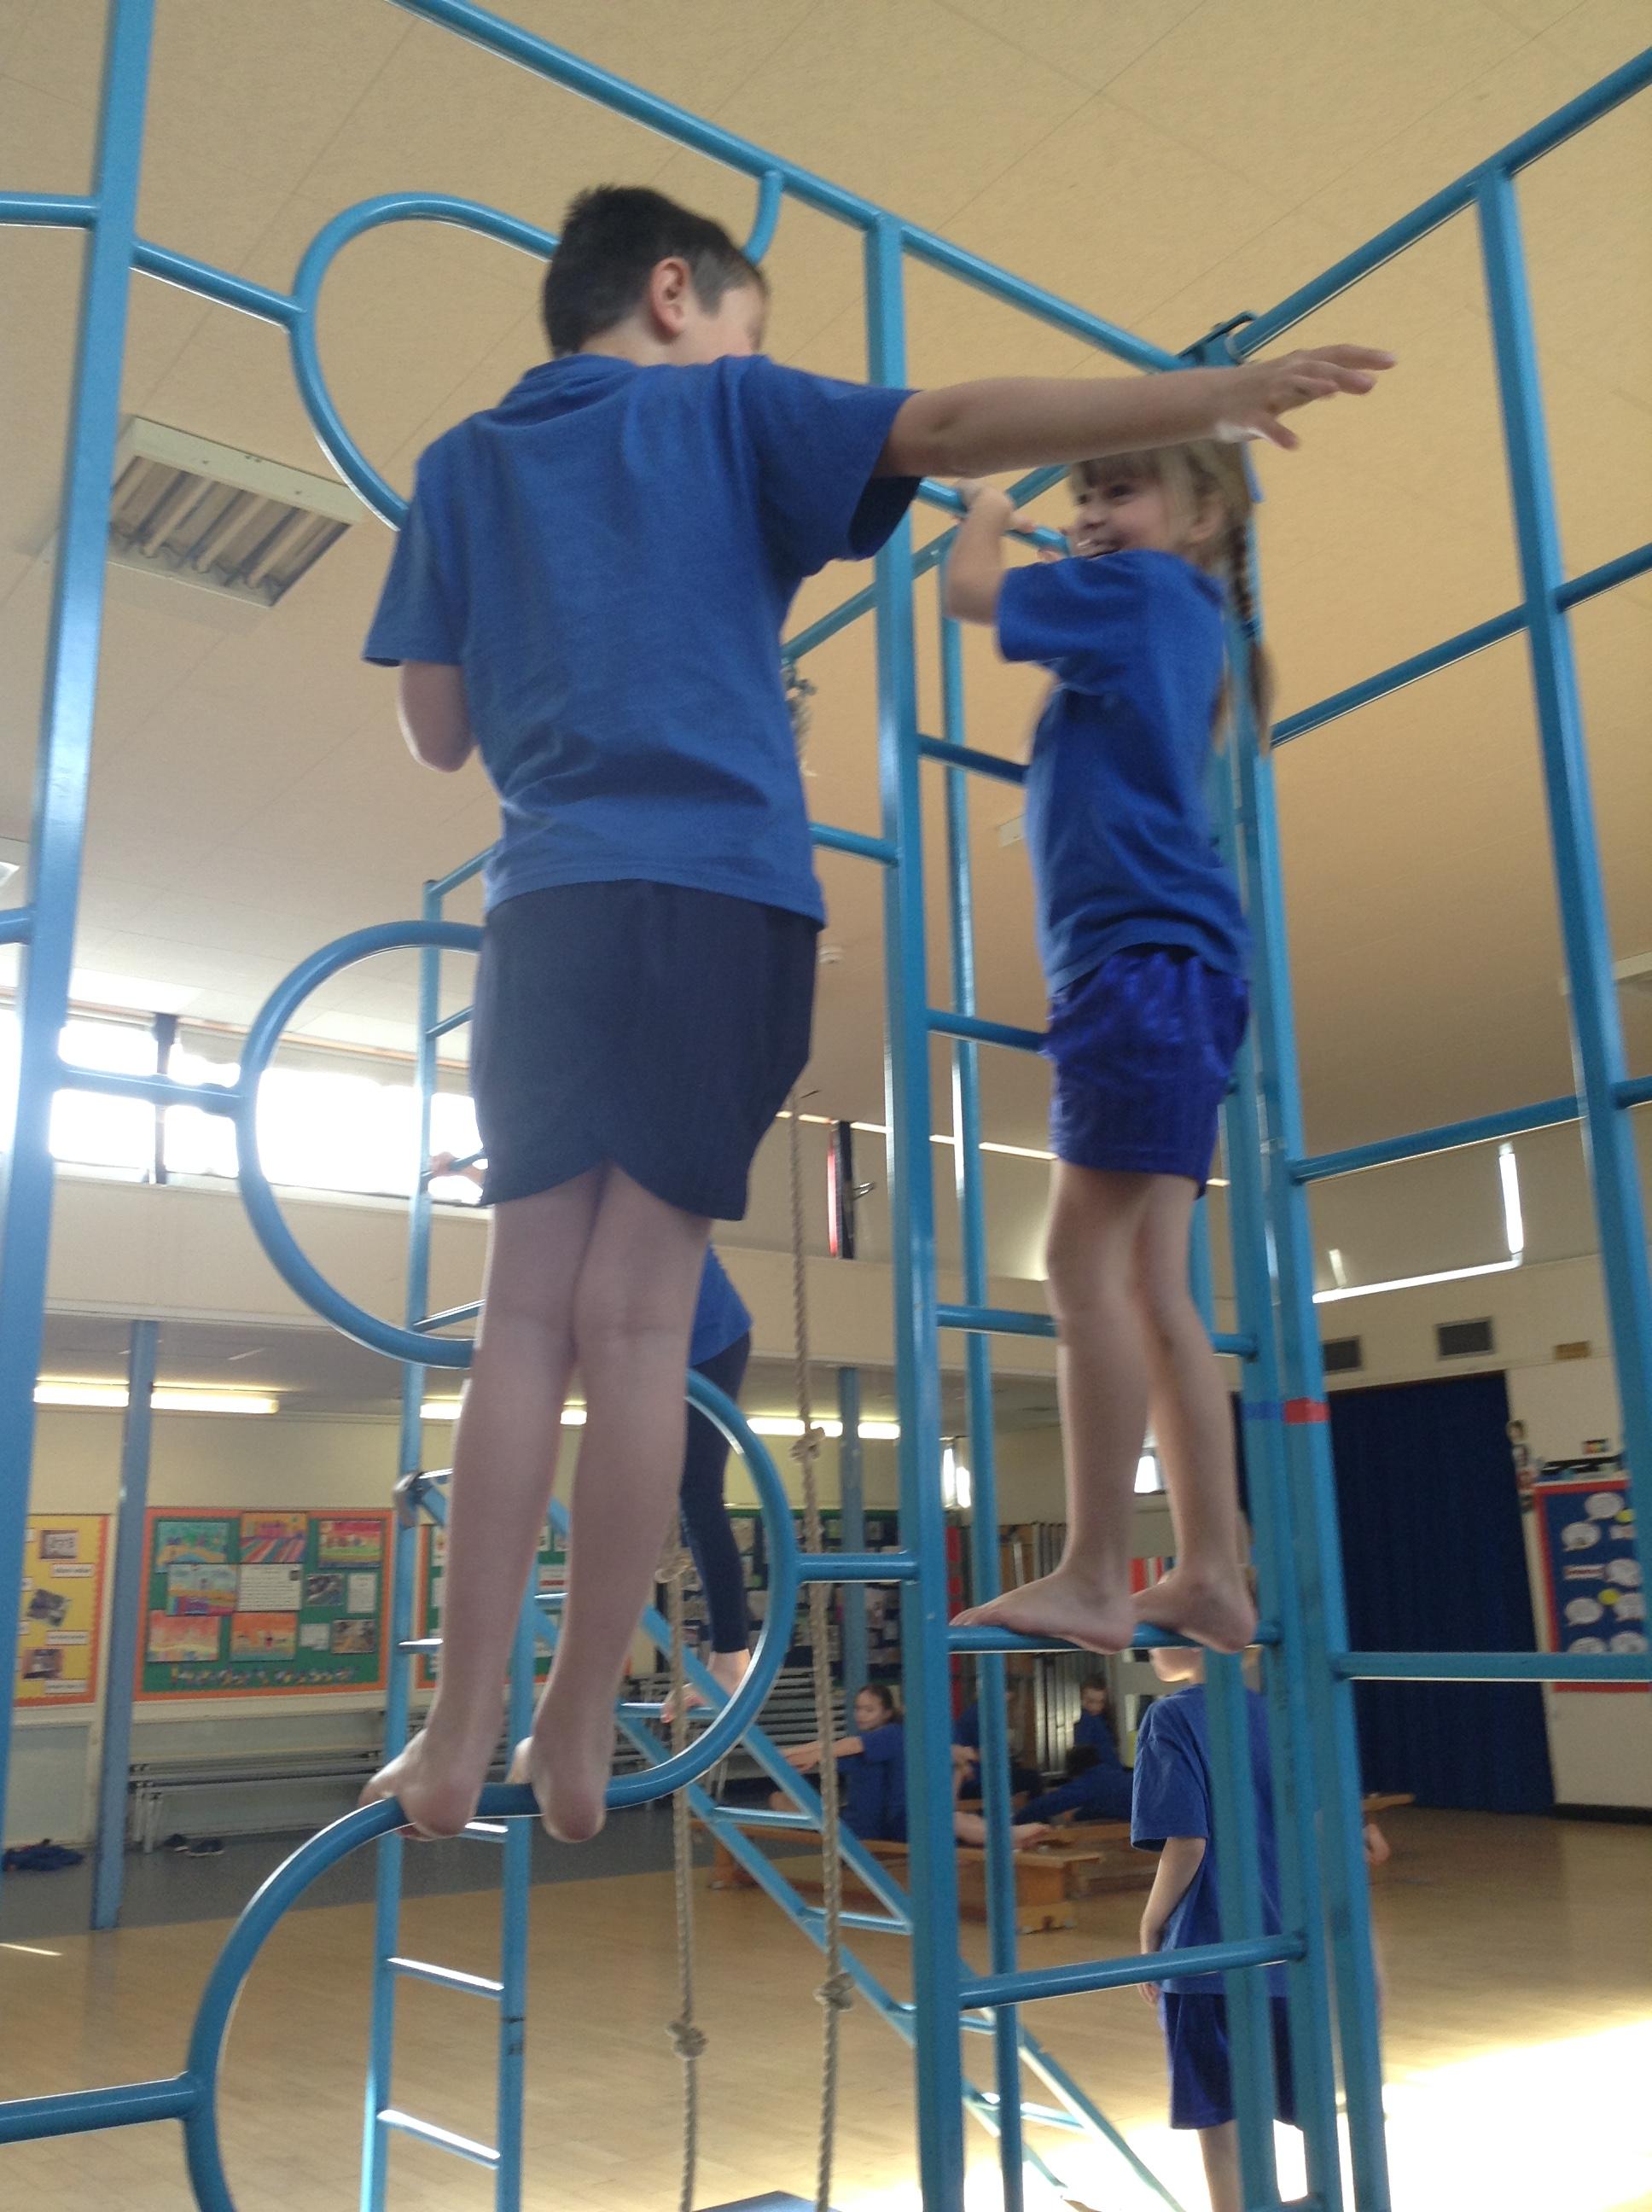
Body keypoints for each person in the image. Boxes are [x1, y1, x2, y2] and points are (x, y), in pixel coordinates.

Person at [361, 178, 1393, 1841]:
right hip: (725, 898)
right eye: (749, 328)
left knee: (521, 1323)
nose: (751, 353)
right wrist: (1208, 394)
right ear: (680, 295)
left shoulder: (460, 463)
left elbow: (433, 729)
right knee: (640, 1329)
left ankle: (452, 1721)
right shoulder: (725, 413)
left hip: (545, 903)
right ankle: (577, 1725)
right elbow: (957, 424)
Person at [944, 432, 1350, 1657]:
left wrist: (983, 509)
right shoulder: (1178, 617)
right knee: (1149, 1281)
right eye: (1080, 496)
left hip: (1137, 964)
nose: (1090, 515)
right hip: (1177, 966)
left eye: (1118, 491)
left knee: (1079, 1266)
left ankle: (1092, 1573)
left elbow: (971, 591)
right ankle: (1213, 1568)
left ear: (1202, 516)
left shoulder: (1139, 593)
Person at [428, 1154, 756, 1706]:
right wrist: (466, 1175)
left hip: (711, 1343)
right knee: (635, 1484)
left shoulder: (638, 1180)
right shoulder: (578, 1188)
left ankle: (731, 1656)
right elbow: (538, 1191)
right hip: (657, 1345)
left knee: (698, 1492)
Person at [1131, 1643, 1295, 2212]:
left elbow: (1188, 1841)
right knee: (1274, 2121)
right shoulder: (1276, 1713)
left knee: (1224, 2140)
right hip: (1284, 1949)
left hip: (1207, 1953)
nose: (1146, 1639)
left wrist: (1151, 1925)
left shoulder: (1171, 1715)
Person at [781, 1682, 905, 1843]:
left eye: (869, 1710)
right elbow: (834, 1745)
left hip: (873, 1827)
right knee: (779, 1799)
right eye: (858, 1709)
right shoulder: (866, 1743)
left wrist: (812, 1756)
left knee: (782, 1801)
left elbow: (849, 1745)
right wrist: (787, 1753)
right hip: (860, 1822)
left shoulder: (892, 1734)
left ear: (887, 1713)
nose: (861, 1715)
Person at [951, 1685, 1041, 1805]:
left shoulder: (975, 1713)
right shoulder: (982, 1716)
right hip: (977, 1782)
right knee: (1032, 1778)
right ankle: (1035, 1815)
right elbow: (987, 1754)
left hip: (973, 1780)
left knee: (1024, 1777)